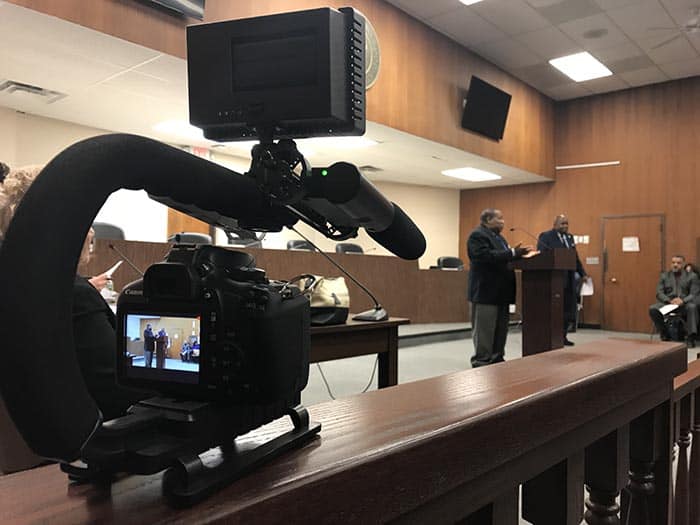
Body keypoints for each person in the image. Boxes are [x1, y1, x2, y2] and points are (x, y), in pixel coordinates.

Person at [0, 164, 147, 472]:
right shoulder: (69, 295)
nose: (90, 228)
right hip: (74, 462)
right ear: (64, 225)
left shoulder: (17, 282)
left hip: (18, 460)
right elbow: (121, 390)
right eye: (84, 217)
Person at [467, 208, 532, 367]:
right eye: (499, 218)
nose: (503, 222)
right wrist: (511, 252)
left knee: (500, 329)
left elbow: (503, 256)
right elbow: (484, 256)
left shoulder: (499, 237)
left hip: (501, 292)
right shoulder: (478, 235)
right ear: (488, 220)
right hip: (486, 292)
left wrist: (515, 254)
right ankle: (482, 361)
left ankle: (497, 358)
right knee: (485, 330)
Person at [537, 214, 588, 346]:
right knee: (555, 310)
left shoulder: (569, 237)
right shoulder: (546, 236)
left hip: (569, 279)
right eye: (562, 223)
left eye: (566, 223)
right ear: (555, 224)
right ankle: (551, 337)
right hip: (554, 280)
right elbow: (542, 255)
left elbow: (574, 257)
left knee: (567, 310)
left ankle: (563, 336)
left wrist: (583, 273)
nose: (565, 226)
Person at [649, 255, 699, 347]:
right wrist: (668, 300)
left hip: (684, 305)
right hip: (668, 304)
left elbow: (694, 294)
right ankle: (664, 333)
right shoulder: (664, 276)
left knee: (692, 307)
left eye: (678, 263)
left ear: (683, 264)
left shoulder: (692, 276)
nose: (675, 265)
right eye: (673, 262)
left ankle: (690, 337)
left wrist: (682, 300)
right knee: (653, 309)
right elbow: (659, 292)